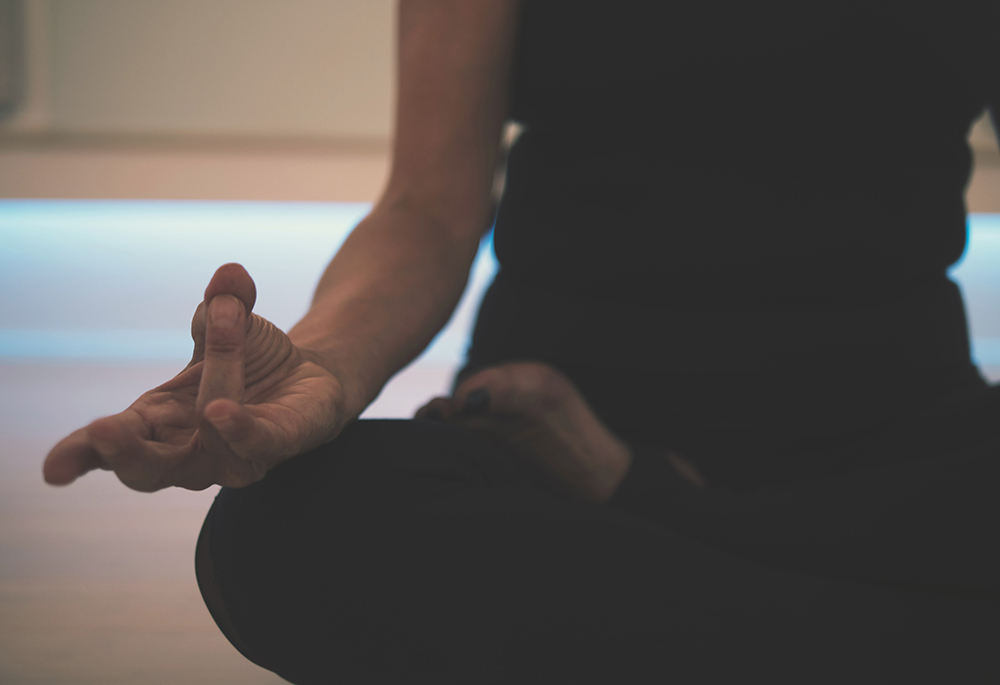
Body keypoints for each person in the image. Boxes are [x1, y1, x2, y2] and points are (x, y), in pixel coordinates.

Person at [44, 1, 999, 682]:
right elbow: (426, 205)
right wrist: (326, 368)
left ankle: (648, 511)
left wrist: (642, 498)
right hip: (539, 439)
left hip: (892, 449)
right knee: (285, 539)